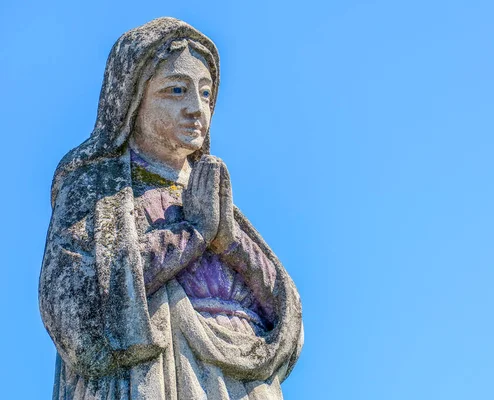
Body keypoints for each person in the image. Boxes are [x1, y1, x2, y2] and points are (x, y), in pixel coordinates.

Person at [39, 17, 303, 400]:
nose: (196, 108)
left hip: (243, 385)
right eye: (176, 90)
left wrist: (229, 242)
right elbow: (75, 309)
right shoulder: (96, 192)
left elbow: (285, 317)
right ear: (133, 99)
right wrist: (190, 235)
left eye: (206, 94)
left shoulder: (208, 195)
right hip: (154, 378)